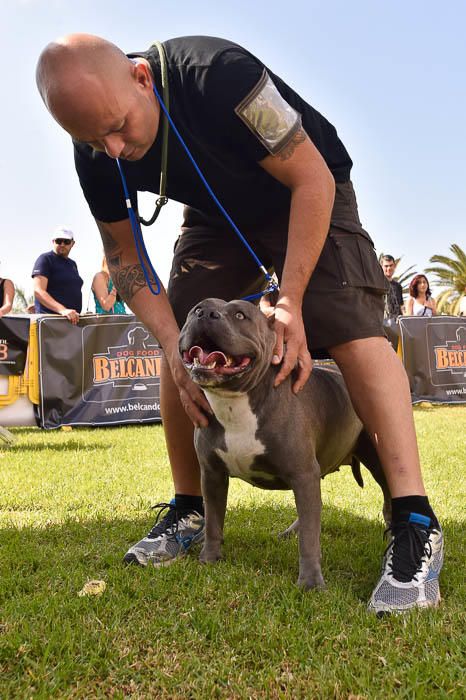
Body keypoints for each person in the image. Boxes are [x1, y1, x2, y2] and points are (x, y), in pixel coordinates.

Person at [35, 34, 443, 614]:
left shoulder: (220, 75)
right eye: (93, 139)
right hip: (214, 212)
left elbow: (313, 179)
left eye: (120, 127)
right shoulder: (97, 148)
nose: (115, 147)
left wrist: (293, 301)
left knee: (351, 326)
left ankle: (414, 520)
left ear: (141, 79)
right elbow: (124, 259)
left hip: (304, 185)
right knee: (186, 336)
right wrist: (173, 345)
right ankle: (189, 506)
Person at [32, 227, 83, 324]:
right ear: (53, 241)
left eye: (66, 241)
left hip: (71, 321)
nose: (62, 244)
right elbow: (38, 291)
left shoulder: (73, 264)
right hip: (50, 322)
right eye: (59, 241)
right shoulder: (45, 259)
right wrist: (63, 310)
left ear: (72, 243)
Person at [381, 254, 405, 320]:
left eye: (391, 265)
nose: (389, 268)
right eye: (386, 266)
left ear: (394, 266)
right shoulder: (377, 284)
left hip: (397, 324)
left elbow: (401, 306)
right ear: (381, 267)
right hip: (381, 325)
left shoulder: (398, 286)